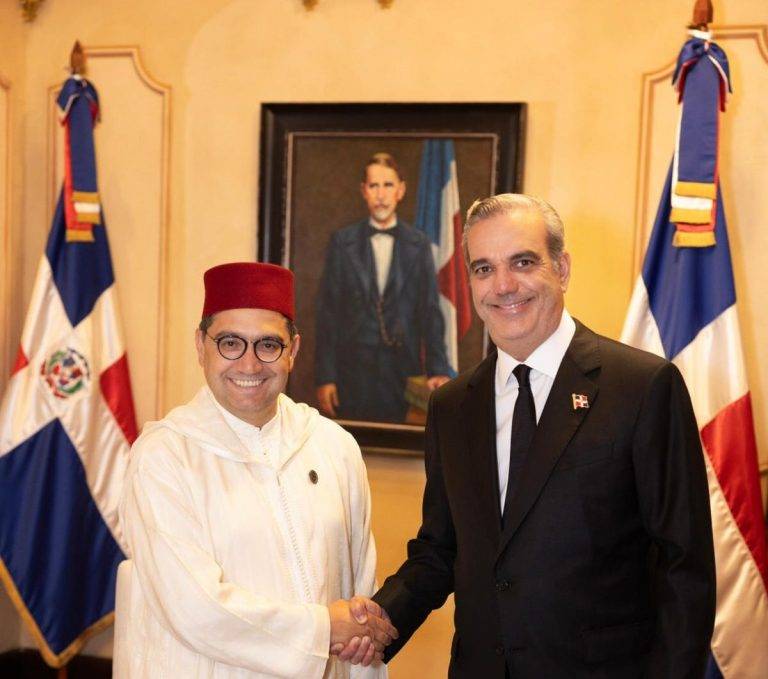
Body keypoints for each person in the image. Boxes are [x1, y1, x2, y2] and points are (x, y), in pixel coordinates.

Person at [341, 194, 716, 677]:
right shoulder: (452, 406)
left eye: (522, 262)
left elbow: (684, 565)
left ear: (561, 268)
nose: (503, 285)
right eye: (483, 268)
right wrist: (382, 618)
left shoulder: (641, 386)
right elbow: (441, 548)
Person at [114, 262, 397, 678]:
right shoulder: (164, 456)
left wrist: (352, 636)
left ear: (293, 351)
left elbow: (361, 596)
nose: (249, 365)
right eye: (230, 343)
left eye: (268, 345)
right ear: (200, 346)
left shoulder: (333, 446)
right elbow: (193, 607)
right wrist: (323, 630)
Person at [315, 152, 451, 423]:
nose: (381, 195)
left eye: (388, 185)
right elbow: (328, 314)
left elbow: (429, 310)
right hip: (352, 372)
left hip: (402, 371)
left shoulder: (419, 244)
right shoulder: (343, 243)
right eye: (374, 186)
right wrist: (326, 377)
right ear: (364, 191)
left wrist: (437, 369)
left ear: (400, 190)